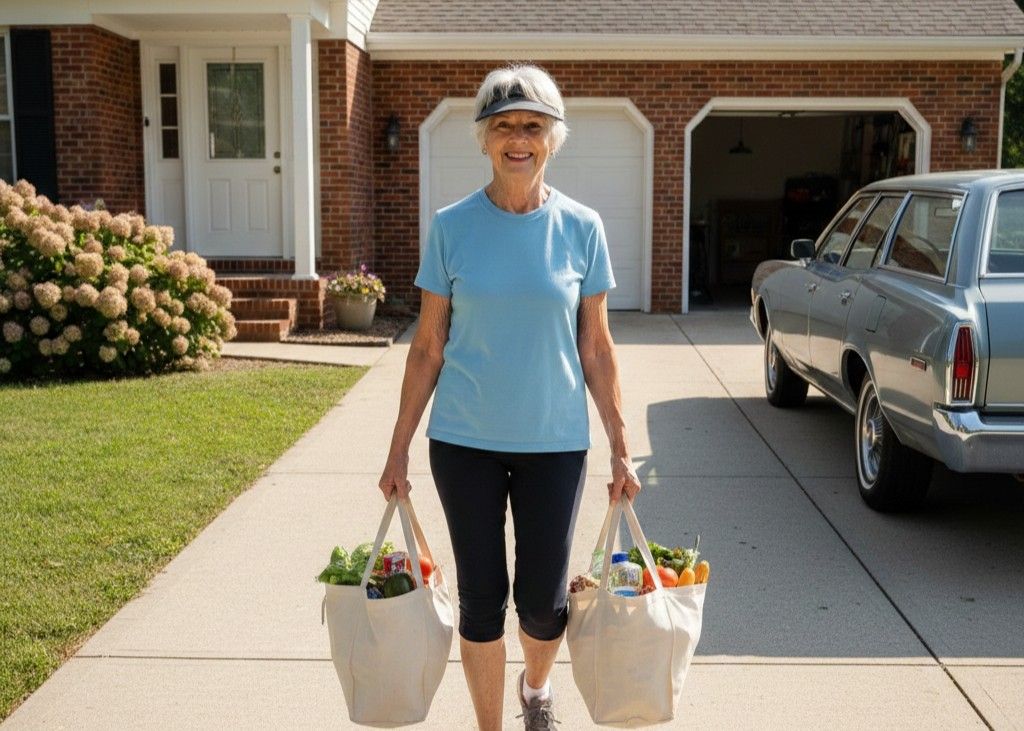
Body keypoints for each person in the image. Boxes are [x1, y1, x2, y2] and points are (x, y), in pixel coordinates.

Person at [378, 64, 641, 731]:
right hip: (463, 439)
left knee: (544, 605)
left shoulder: (583, 228)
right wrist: (398, 446)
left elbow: (598, 347)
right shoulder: (451, 226)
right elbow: (428, 345)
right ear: (484, 139)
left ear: (553, 137)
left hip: (555, 441)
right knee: (480, 599)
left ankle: (536, 689)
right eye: (503, 126)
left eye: (531, 125)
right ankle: (490, 725)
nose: (518, 138)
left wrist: (620, 446)